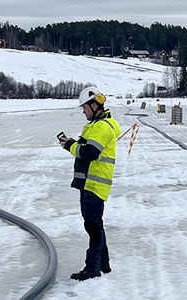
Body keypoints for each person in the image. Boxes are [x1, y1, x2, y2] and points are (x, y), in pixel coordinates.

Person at [59, 86, 121, 280]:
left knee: (93, 227)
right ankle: (103, 264)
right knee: (96, 226)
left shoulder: (102, 127)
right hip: (89, 185)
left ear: (95, 105)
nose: (83, 111)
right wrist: (73, 143)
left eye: (84, 107)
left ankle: (92, 268)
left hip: (94, 186)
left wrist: (70, 145)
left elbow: (89, 152)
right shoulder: (97, 125)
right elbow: (86, 147)